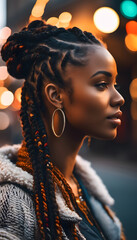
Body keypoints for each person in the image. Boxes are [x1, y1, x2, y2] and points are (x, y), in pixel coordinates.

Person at [0, 20, 126, 240]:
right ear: (56, 96)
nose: (119, 98)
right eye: (101, 84)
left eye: (114, 84)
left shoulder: (85, 186)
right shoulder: (12, 204)